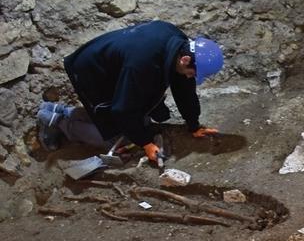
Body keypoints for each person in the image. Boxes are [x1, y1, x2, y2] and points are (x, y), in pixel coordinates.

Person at [37, 20, 224, 165]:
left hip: (115, 65)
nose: (192, 77)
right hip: (91, 70)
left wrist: (194, 124)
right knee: (116, 138)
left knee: (138, 120)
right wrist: (145, 143)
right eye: (193, 73)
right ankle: (55, 121)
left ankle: (60, 110)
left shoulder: (179, 46)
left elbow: (184, 89)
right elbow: (122, 110)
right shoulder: (145, 64)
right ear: (184, 60)